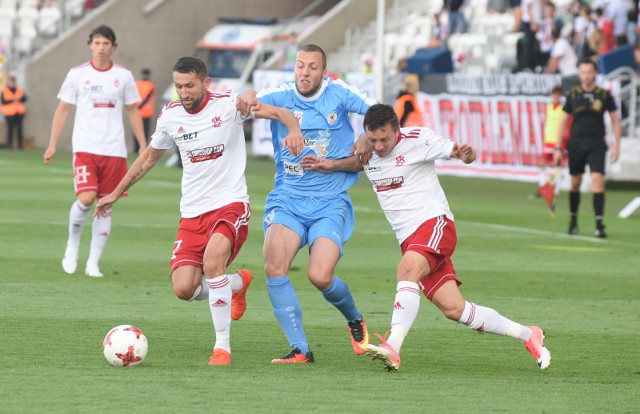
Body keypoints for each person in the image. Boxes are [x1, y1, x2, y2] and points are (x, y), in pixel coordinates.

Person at [301, 103, 552, 371]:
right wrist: (331, 165)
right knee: (455, 309)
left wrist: (463, 154)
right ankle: (529, 334)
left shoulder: (418, 139)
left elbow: (453, 150)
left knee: (406, 271)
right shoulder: (368, 150)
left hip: (434, 224)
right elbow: (361, 162)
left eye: (385, 139)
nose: (380, 145)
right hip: (410, 240)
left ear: (397, 129)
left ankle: (393, 347)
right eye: (373, 139)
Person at [95, 56, 304, 365]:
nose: (184, 92)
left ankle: (222, 348)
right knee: (184, 288)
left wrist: (293, 128)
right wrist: (116, 190)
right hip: (192, 212)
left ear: (206, 83)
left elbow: (281, 112)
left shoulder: (229, 104)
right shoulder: (170, 115)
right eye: (179, 86)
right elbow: (149, 158)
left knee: (212, 264)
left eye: (190, 86)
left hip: (230, 204)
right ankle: (238, 283)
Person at [235, 44, 376, 363]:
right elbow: (248, 99)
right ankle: (300, 349)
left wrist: (367, 133)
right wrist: (245, 90)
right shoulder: (282, 94)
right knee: (274, 267)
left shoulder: (338, 93)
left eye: (313, 67)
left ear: (323, 72)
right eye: (300, 66)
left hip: (330, 202)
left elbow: (380, 110)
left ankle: (354, 318)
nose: (305, 72)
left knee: (320, 276)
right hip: (288, 199)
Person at [43, 25, 148, 277]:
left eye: (106, 43)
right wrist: (52, 142)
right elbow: (63, 109)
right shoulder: (77, 74)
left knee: (106, 205)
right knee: (87, 198)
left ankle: (93, 263)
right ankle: (73, 244)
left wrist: (144, 145)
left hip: (114, 149)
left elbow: (133, 110)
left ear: (114, 46)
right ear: (90, 45)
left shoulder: (123, 76)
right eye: (97, 43)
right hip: (85, 147)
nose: (101, 47)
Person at [554, 59, 621, 238]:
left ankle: (599, 224)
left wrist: (617, 146)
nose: (587, 75)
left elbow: (615, 121)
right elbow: (563, 121)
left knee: (598, 180)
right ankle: (573, 220)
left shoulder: (604, 95)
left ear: (596, 73)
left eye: (590, 72)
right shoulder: (573, 94)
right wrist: (557, 147)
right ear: (579, 74)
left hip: (597, 143)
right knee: (575, 182)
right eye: (584, 72)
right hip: (576, 142)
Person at [1, 76, 27, 149]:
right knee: (10, 130)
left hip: (19, 113)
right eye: (11, 82)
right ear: (9, 82)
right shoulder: (5, 90)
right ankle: (9, 145)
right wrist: (12, 100)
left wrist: (18, 99)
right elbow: (3, 101)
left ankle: (20, 145)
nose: (12, 83)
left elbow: (25, 98)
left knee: (20, 129)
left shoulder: (19, 89)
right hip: (9, 114)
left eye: (13, 82)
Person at [133, 68, 155, 153]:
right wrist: (139, 107)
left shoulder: (137, 84)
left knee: (136, 131)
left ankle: (137, 149)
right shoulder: (150, 85)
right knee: (144, 132)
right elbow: (147, 99)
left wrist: (136, 108)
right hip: (145, 113)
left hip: (137, 112)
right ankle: (142, 148)